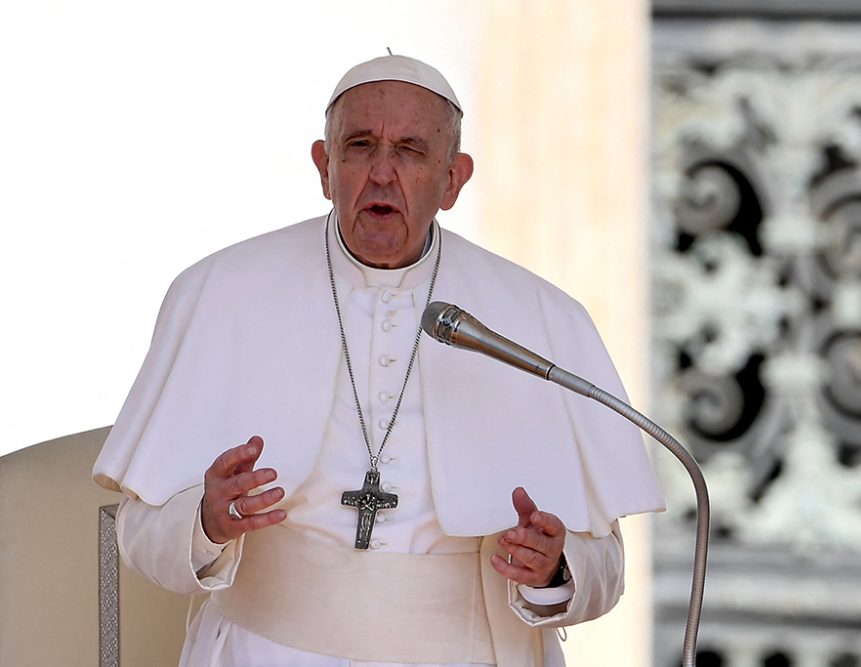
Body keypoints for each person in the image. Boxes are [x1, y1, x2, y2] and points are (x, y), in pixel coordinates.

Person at [93, 54, 664, 667]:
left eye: (412, 151)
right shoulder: (222, 292)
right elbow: (139, 534)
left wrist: (554, 568)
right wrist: (205, 522)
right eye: (361, 146)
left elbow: (606, 569)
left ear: (453, 179)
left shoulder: (539, 319)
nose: (384, 172)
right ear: (325, 165)